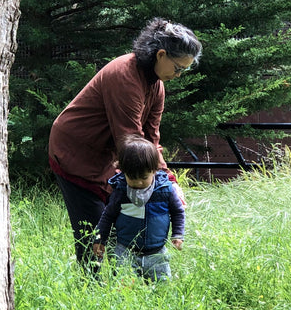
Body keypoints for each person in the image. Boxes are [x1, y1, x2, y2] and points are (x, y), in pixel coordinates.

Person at [48, 18, 201, 273]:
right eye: (177, 68)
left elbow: (151, 137)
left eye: (183, 70)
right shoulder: (125, 75)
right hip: (75, 153)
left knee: (123, 224)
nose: (178, 75)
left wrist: (168, 180)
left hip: (108, 158)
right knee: (94, 231)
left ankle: (123, 286)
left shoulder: (157, 85)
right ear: (161, 54)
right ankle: (91, 291)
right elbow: (129, 137)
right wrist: (157, 182)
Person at [91, 136, 185, 281]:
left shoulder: (165, 190)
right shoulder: (121, 191)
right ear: (123, 172)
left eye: (143, 177)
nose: (138, 182)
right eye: (132, 177)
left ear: (154, 170)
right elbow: (108, 215)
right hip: (125, 251)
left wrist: (178, 234)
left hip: (157, 252)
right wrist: (100, 239)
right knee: (124, 286)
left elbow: (178, 212)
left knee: (162, 286)